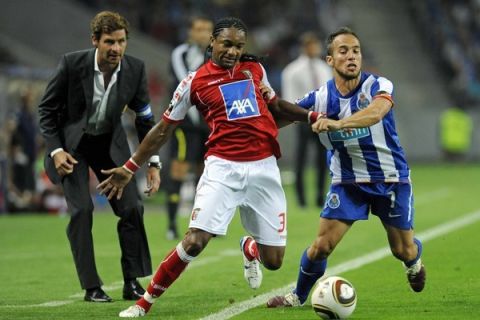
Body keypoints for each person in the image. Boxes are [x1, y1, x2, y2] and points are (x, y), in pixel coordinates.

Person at [97, 17, 315, 318]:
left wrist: (314, 118)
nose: (233, 51)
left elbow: (276, 108)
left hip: (264, 168)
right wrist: (131, 166)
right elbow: (163, 129)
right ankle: (144, 302)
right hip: (222, 169)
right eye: (227, 44)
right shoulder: (194, 82)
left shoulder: (255, 70)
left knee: (275, 261)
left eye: (239, 46)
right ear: (212, 42)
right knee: (195, 240)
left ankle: (250, 247)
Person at [266, 27, 426, 308]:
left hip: (389, 178)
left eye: (356, 51)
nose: (351, 56)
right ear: (330, 60)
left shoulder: (379, 85)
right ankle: (297, 297)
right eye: (343, 51)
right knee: (321, 246)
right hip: (347, 181)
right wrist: (260, 123)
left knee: (402, 249)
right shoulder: (319, 97)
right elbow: (281, 117)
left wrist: (338, 123)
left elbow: (376, 113)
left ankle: (414, 262)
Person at [38, 11, 161, 303]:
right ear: (95, 41)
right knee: (82, 211)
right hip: (72, 148)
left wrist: (153, 164)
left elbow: (145, 121)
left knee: (132, 209)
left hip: (109, 146)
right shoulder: (71, 64)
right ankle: (92, 287)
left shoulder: (134, 70)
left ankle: (132, 282)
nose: (116, 48)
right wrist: (56, 151)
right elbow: (46, 111)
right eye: (109, 41)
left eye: (121, 41)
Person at [166, 16, 213, 240]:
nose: (203, 33)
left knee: (204, 174)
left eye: (207, 30)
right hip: (184, 125)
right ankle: (171, 224)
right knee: (179, 169)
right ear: (191, 32)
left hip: (208, 124)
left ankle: (203, 225)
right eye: (199, 29)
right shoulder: (180, 54)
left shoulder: (217, 55)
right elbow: (185, 80)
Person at [281, 32, 332, 208]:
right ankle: (301, 200)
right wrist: (297, 117)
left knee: (322, 160)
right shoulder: (292, 70)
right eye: (310, 45)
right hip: (303, 119)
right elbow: (290, 97)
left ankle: (320, 197)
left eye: (315, 45)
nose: (314, 49)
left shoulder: (324, 68)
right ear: (304, 47)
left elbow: (329, 95)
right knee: (301, 161)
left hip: (322, 119)